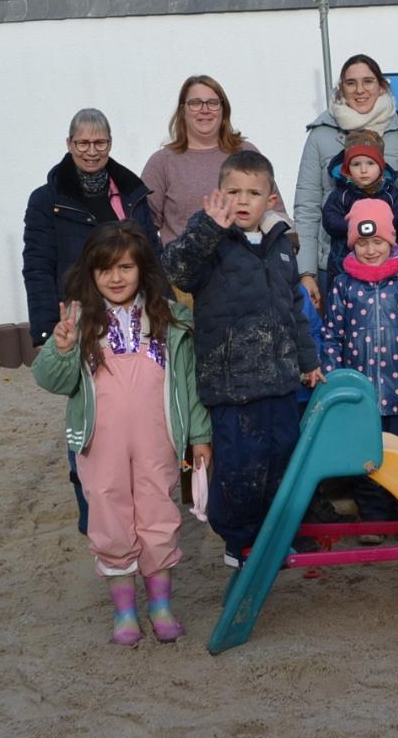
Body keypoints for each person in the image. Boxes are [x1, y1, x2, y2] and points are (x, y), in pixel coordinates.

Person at [31, 221, 210, 646]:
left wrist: (200, 435)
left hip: (158, 438)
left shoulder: (171, 319)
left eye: (126, 268)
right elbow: (51, 381)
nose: (116, 278)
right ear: (90, 274)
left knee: (159, 515)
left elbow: (188, 384)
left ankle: (161, 605)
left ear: (142, 269)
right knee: (110, 516)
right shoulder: (79, 321)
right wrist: (60, 348)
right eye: (105, 269)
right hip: (101, 442)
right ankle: (125, 611)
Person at [160, 149, 324, 568]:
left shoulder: (281, 248)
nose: (244, 199)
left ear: (271, 199)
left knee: (281, 460)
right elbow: (177, 269)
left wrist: (308, 362)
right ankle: (238, 541)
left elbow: (294, 310)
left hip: (281, 381)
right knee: (239, 467)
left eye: (254, 192)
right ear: (219, 196)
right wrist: (205, 228)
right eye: (234, 191)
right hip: (232, 386)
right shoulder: (211, 244)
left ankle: (275, 533)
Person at [23, 107, 157, 535]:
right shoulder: (47, 200)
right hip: (80, 316)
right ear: (69, 145)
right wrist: (46, 330)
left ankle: (140, 507)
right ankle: (92, 510)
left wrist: (160, 306)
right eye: (82, 143)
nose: (91, 151)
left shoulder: (132, 192)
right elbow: (37, 265)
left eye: (99, 143)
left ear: (110, 144)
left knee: (134, 409)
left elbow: (150, 255)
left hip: (133, 316)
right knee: (89, 408)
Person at [294, 55, 398, 308]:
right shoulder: (321, 135)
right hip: (334, 265)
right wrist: (307, 272)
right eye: (351, 83)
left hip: (393, 263)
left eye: (368, 81)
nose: (360, 90)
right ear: (341, 89)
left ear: (381, 86)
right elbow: (307, 208)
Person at [322, 198, 398, 543]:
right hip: (360, 395)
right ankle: (374, 516)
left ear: (391, 242)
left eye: (377, 242)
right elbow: (332, 335)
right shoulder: (343, 285)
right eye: (362, 243)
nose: (370, 250)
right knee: (366, 457)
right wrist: (335, 382)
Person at [140, 75, 281, 245]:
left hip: (245, 266)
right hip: (186, 267)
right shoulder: (162, 162)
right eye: (195, 103)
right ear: (183, 110)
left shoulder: (246, 152)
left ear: (223, 110)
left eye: (212, 103)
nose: (204, 110)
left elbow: (275, 212)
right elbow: (142, 226)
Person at [321, 129, 398, 281]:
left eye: (370, 163)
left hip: (386, 263)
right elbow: (329, 220)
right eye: (356, 164)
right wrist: (354, 224)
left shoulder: (391, 193)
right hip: (344, 266)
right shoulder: (341, 194)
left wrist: (383, 221)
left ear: (381, 166)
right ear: (347, 168)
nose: (363, 170)